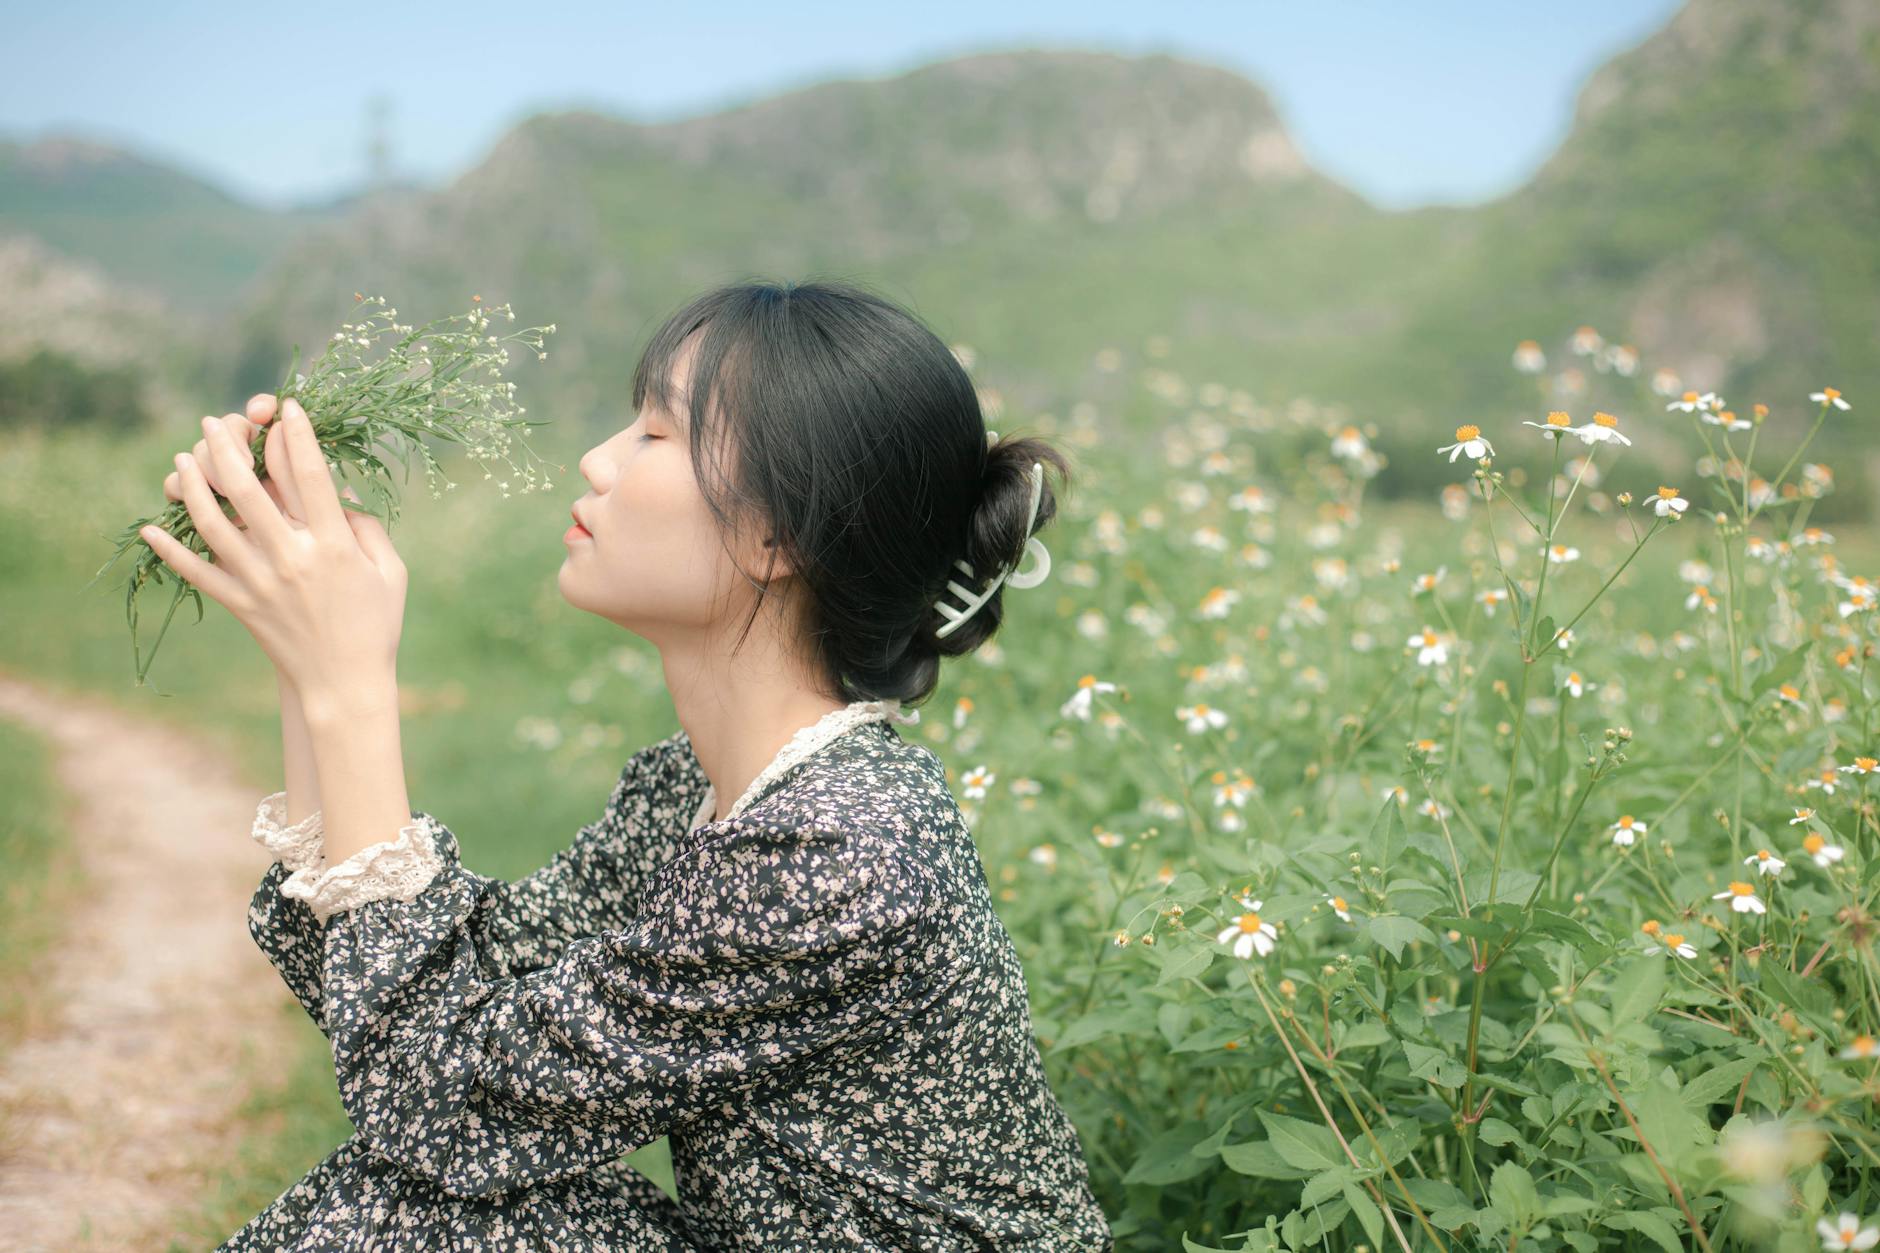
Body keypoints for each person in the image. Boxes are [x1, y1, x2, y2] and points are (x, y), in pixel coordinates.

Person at [198, 279, 1113, 1250]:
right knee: (433, 1194)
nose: (596, 460)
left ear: (780, 533)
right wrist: (311, 666)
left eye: (655, 433)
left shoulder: (837, 846)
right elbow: (445, 1000)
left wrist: (351, 688)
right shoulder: (702, 787)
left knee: (417, 1199)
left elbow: (435, 1102)